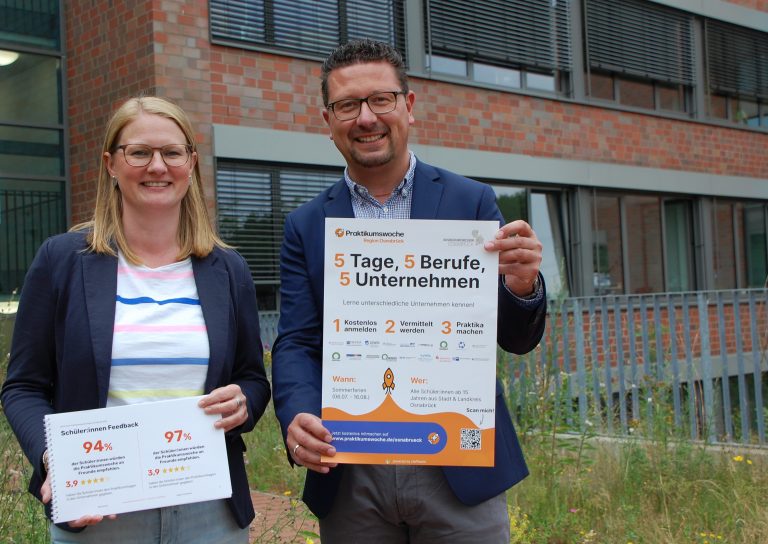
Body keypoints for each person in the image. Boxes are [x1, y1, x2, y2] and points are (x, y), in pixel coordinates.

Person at [271, 39, 547, 542]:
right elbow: (296, 340)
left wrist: (522, 285)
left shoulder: (472, 201)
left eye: (381, 99)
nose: (366, 118)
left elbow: (515, 338)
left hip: (460, 466)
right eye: (347, 105)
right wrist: (298, 415)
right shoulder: (305, 224)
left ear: (408, 106)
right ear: (328, 120)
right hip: (351, 465)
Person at [0, 96, 271, 543]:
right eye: (139, 152)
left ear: (192, 162)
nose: (157, 166)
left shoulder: (227, 268)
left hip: (209, 513)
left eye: (172, 152)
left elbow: (252, 378)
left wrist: (243, 403)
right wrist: (56, 458)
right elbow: (23, 386)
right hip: (99, 508)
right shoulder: (62, 260)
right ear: (111, 163)